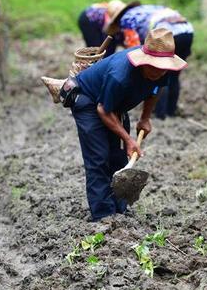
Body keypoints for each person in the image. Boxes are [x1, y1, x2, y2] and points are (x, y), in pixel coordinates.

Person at [63, 28, 187, 221]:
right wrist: (129, 139)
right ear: (143, 61)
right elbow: (103, 110)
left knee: (117, 156)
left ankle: (119, 210)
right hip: (88, 100)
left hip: (115, 105)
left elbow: (155, 89)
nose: (158, 71)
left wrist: (145, 118)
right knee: (98, 158)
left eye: (162, 67)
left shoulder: (163, 69)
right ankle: (103, 215)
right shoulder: (120, 75)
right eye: (153, 66)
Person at [108, 4, 193, 119]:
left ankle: (160, 115)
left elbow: (134, 49)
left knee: (161, 73)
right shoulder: (148, 8)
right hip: (187, 30)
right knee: (174, 74)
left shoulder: (127, 19)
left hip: (168, 34)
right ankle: (171, 111)